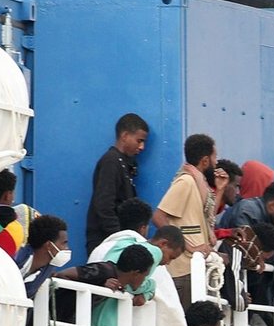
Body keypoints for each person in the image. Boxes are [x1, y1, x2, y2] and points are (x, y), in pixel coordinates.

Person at [151, 132, 219, 280]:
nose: (216, 163)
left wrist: (221, 189)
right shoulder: (186, 182)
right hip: (183, 270)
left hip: (195, 267)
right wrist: (190, 247)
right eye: (214, 157)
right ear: (205, 161)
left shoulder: (199, 184)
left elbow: (207, 216)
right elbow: (158, 216)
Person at [86, 112, 147, 242]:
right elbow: (104, 205)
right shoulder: (111, 161)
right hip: (107, 242)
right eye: (139, 141)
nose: (142, 147)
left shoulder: (124, 163)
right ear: (124, 136)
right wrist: (119, 238)